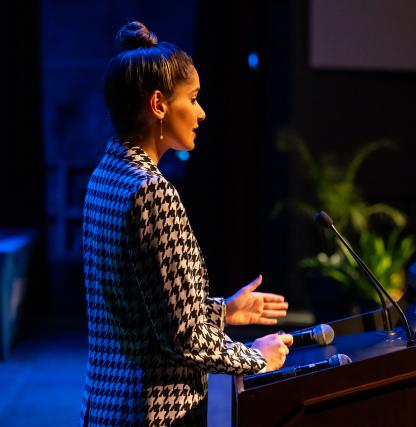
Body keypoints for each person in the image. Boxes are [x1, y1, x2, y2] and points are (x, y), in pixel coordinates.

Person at [80, 20, 293, 426]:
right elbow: (182, 337)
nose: (201, 112)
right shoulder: (152, 192)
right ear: (159, 104)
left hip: (108, 408)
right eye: (192, 99)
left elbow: (139, 310)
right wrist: (256, 359)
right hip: (157, 414)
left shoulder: (106, 175)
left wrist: (221, 312)